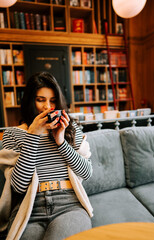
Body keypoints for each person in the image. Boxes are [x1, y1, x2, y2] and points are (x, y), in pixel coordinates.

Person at [1, 72, 93, 240]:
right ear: (30, 101)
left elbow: (87, 173)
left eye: (52, 101)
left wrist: (61, 141)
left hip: (69, 204)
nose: (47, 107)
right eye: (40, 100)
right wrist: (33, 136)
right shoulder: (12, 134)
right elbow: (19, 187)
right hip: (29, 207)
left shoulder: (70, 130)